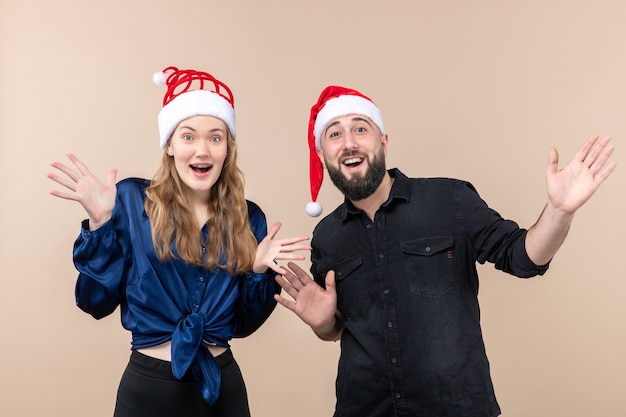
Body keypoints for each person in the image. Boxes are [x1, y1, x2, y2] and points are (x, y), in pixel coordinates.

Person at [274, 85, 617, 417]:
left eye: (360, 129)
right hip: (363, 408)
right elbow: (338, 327)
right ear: (322, 155)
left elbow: (523, 258)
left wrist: (560, 211)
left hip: (456, 406)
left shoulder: (450, 199)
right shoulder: (327, 236)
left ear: (383, 142)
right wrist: (322, 325)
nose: (348, 143)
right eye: (334, 134)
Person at [48, 66, 310, 417]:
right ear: (169, 145)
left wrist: (260, 271)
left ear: (226, 150)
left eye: (215, 138)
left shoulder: (250, 219)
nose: (202, 150)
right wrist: (101, 225)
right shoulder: (129, 200)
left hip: (222, 389)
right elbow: (93, 303)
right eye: (188, 137)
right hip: (147, 392)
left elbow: (242, 326)